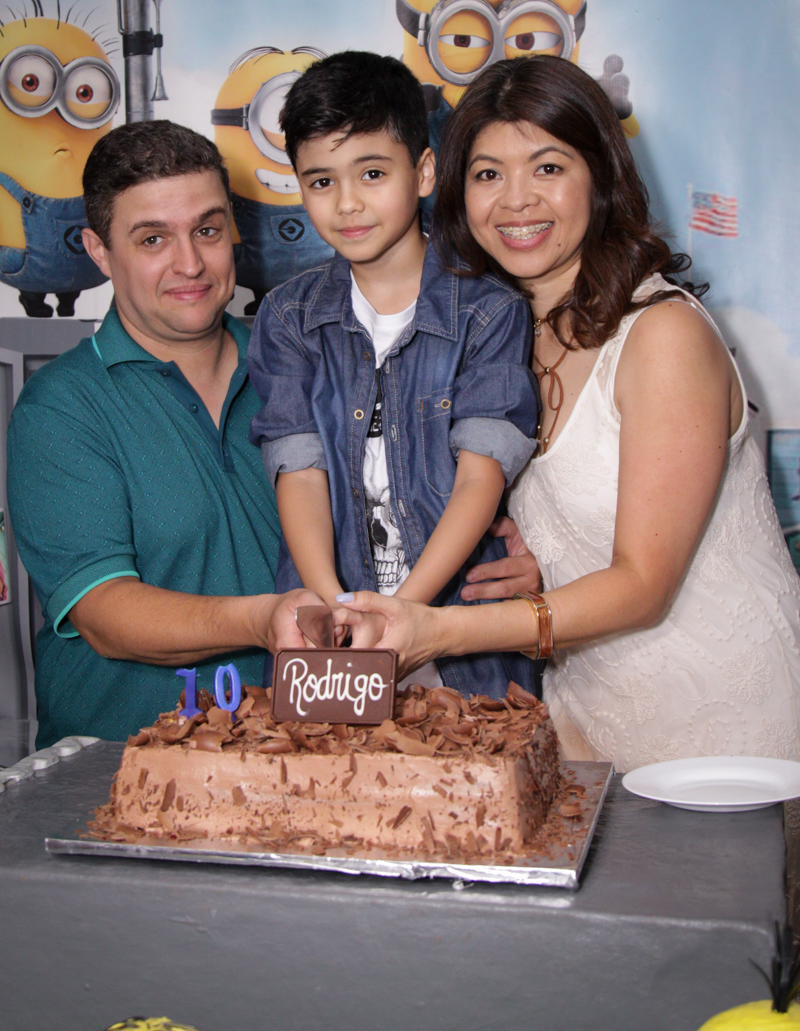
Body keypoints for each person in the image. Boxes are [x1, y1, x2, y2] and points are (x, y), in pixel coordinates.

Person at [332, 55, 800, 771]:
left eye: (547, 167)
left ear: (601, 177)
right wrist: (537, 572)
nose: (516, 201)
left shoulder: (662, 335)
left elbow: (643, 582)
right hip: (586, 735)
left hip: (734, 741)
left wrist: (440, 630)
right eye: (488, 174)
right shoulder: (493, 339)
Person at [6, 120, 323, 748]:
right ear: (99, 254)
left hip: (303, 753)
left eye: (207, 230)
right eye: (153, 239)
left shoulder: (304, 369)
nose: (190, 263)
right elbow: (106, 615)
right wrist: (265, 618)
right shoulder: (62, 409)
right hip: (119, 776)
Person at [247, 51, 543, 700]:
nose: (347, 203)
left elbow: (480, 480)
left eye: (372, 172)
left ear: (424, 170)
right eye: (321, 182)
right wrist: (335, 608)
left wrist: (406, 613)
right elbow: (298, 474)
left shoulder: (488, 310)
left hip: (458, 634)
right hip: (331, 633)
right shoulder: (288, 318)